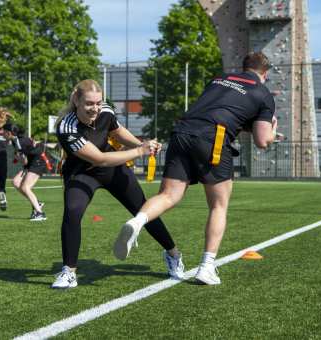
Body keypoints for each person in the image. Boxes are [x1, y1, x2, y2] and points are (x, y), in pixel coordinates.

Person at [116, 52, 280, 285]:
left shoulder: (219, 79)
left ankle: (137, 222)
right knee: (218, 205)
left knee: (168, 195)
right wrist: (272, 130)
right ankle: (206, 267)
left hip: (182, 131)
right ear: (265, 74)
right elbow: (262, 141)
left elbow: (223, 112)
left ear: (243, 67)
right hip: (213, 138)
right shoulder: (263, 93)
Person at [51, 79, 184, 289]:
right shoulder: (66, 127)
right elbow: (98, 159)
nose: (95, 108)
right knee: (72, 212)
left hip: (112, 170)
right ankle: (69, 272)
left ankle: (174, 255)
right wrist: (140, 151)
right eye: (89, 104)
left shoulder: (106, 111)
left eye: (98, 103)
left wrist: (142, 144)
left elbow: (118, 132)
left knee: (143, 210)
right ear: (76, 100)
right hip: (81, 173)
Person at [8, 125, 48, 221]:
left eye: (3, 132)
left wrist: (17, 157)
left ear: (9, 133)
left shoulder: (19, 142)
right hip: (31, 163)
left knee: (25, 187)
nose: (2, 133)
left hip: (37, 163)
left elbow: (24, 161)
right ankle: (37, 203)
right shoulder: (15, 140)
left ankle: (40, 213)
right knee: (16, 182)